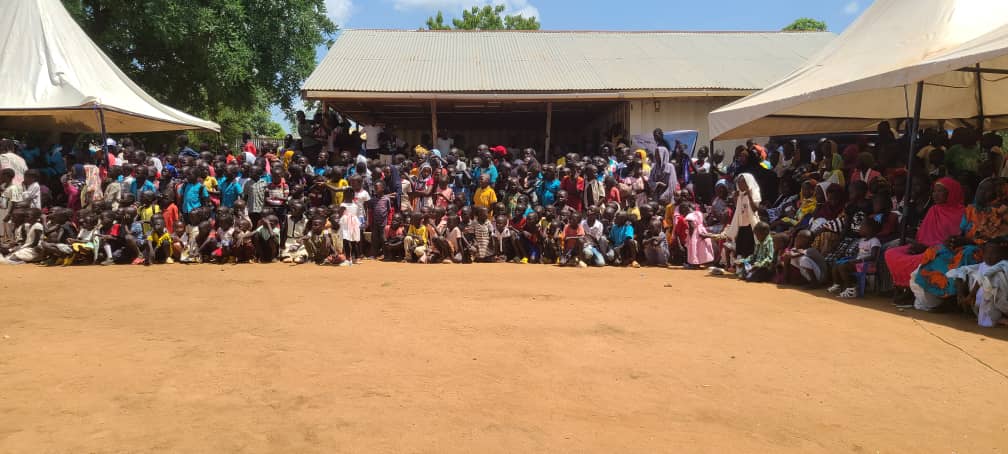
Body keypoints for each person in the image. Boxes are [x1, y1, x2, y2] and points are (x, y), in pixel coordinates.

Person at [911, 178, 1008, 311]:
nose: (980, 193)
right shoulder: (970, 210)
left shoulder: (1003, 214)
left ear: (998, 194)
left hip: (987, 251)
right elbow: (962, 232)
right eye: (980, 189)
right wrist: (953, 239)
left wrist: (968, 241)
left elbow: (998, 239)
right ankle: (939, 296)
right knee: (936, 251)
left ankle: (952, 296)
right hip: (966, 244)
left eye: (986, 190)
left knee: (966, 253)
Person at [828, 218, 882, 298]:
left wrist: (858, 260)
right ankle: (838, 284)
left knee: (843, 266)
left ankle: (850, 290)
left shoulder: (875, 241)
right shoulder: (862, 240)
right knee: (837, 264)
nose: (860, 228)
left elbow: (873, 256)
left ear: (869, 229)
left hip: (868, 265)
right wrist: (852, 259)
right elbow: (859, 254)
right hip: (860, 264)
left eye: (862, 226)